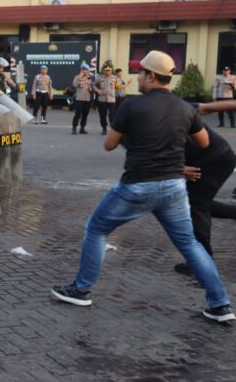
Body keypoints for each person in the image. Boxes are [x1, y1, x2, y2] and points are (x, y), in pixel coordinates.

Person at [51, 50, 234, 323]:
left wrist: (139, 139)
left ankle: (81, 289)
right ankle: (220, 305)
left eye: (141, 73)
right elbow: (204, 143)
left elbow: (109, 144)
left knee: (97, 228)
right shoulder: (184, 107)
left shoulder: (132, 106)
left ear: (150, 76)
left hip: (138, 185)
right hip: (173, 187)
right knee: (189, 243)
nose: (138, 77)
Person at [175, 123, 236, 275]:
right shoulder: (170, 109)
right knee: (197, 202)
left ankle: (202, 260)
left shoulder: (168, 115)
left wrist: (176, 168)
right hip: (211, 157)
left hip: (212, 160)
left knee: (196, 206)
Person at [94, 64, 117, 135]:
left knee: (112, 115)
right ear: (104, 71)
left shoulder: (115, 77)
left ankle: (112, 129)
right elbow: (93, 85)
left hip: (111, 99)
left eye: (109, 71)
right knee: (102, 115)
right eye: (106, 71)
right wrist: (98, 90)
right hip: (102, 99)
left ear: (111, 71)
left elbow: (119, 85)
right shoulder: (99, 77)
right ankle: (104, 128)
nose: (108, 72)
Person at [71, 64, 93, 135]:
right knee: (77, 114)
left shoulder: (89, 78)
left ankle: (82, 129)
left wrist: (90, 88)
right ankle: (74, 128)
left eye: (88, 70)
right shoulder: (77, 77)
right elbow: (74, 84)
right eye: (86, 70)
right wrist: (79, 77)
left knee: (85, 115)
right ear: (82, 70)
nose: (87, 71)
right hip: (79, 99)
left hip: (87, 99)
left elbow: (91, 89)